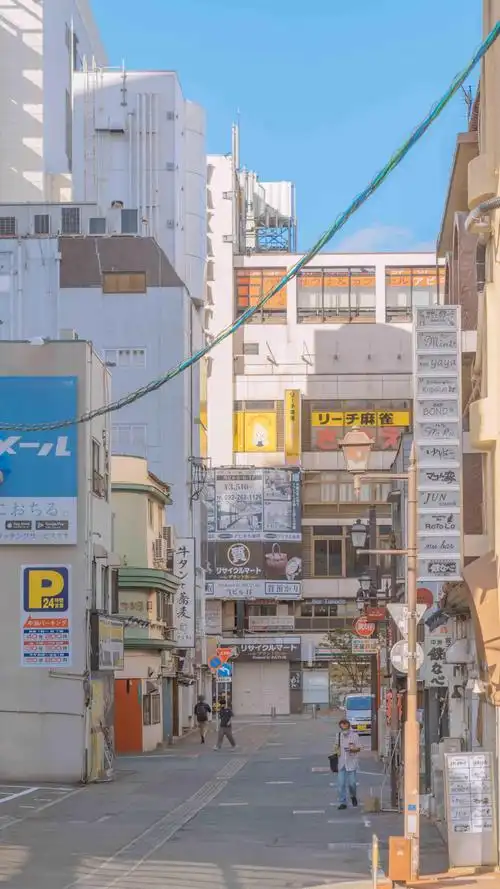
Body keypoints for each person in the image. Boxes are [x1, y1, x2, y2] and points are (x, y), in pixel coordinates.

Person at [334, 717, 361, 809]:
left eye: (345, 725)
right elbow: (336, 747)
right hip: (341, 763)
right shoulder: (338, 735)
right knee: (341, 784)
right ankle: (343, 802)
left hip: (351, 762)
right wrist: (336, 751)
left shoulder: (355, 736)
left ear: (348, 725)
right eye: (342, 725)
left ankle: (353, 796)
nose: (344, 727)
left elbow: (359, 748)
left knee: (352, 783)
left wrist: (353, 749)